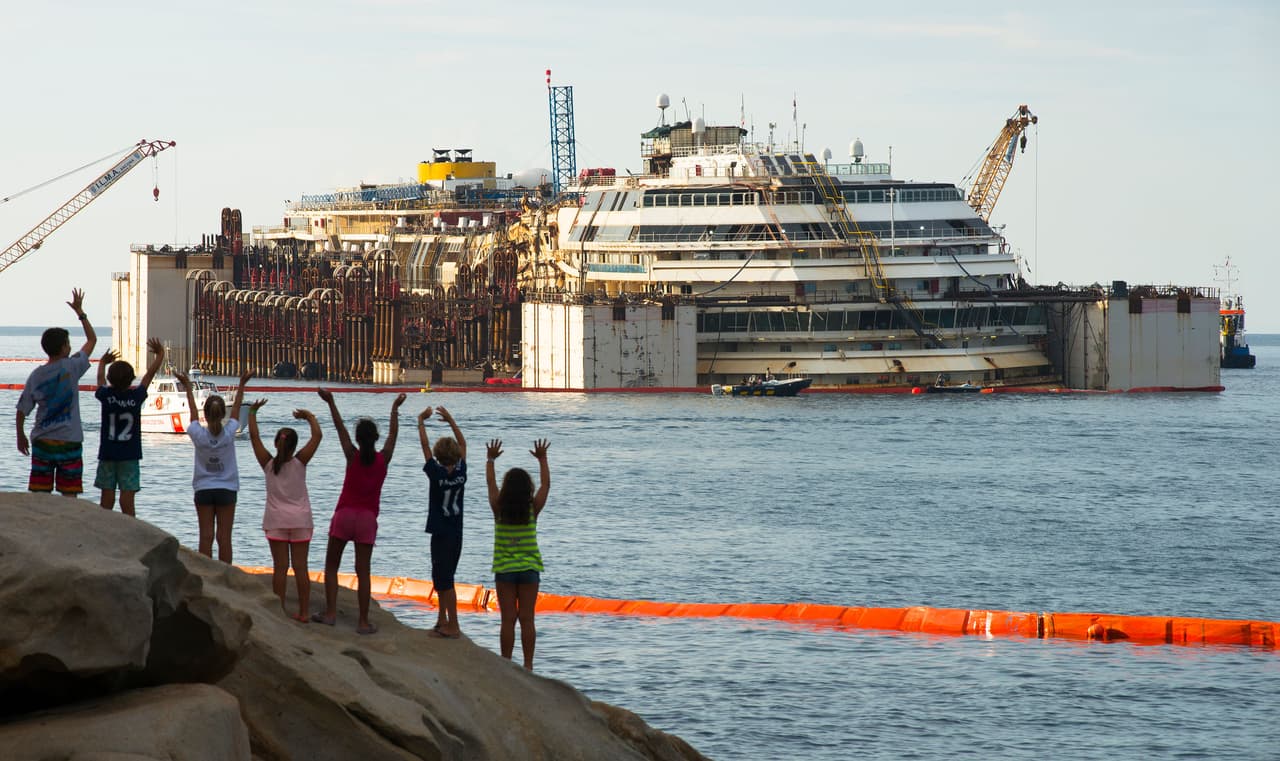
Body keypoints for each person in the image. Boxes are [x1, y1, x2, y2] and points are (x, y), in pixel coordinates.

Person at [312, 389, 406, 634]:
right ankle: (363, 622)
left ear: (358, 438)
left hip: (344, 515)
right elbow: (394, 434)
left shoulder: (351, 455)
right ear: (375, 438)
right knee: (363, 572)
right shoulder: (383, 459)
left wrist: (331, 401)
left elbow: (339, 427)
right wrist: (395, 409)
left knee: (331, 566)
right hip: (366, 519)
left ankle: (330, 613)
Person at [16, 289, 97, 496]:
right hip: (70, 442)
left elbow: (22, 410)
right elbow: (91, 341)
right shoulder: (72, 367)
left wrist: (20, 436)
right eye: (68, 344)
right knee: (69, 494)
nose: (70, 347)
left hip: (42, 442)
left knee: (40, 494)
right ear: (63, 348)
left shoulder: (36, 375)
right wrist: (81, 313)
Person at [247, 398, 322, 622]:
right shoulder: (300, 462)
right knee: (301, 569)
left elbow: (254, 437)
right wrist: (309, 417)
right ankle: (305, 612)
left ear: (276, 444)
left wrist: (252, 412)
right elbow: (317, 436)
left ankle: (279, 612)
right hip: (300, 521)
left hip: (276, 521)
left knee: (280, 568)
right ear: (294, 446)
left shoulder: (268, 465)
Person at [485, 437, 551, 670]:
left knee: (507, 620)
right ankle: (529, 665)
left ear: (506, 488)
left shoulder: (499, 509)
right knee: (527, 619)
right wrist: (543, 459)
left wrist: (490, 459)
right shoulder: (532, 509)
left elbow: (491, 483)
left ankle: (506, 664)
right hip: (529, 569)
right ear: (527, 489)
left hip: (504, 570)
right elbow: (545, 486)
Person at [175, 368, 250, 562]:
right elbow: (236, 410)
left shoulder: (198, 434)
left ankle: (207, 577)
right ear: (222, 413)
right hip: (227, 489)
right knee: (224, 538)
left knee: (205, 537)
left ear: (205, 415)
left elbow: (192, 413)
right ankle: (226, 577)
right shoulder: (230, 432)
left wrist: (188, 388)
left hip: (204, 489)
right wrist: (241, 383)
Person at [93, 338, 165, 515]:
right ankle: (131, 532)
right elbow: (148, 377)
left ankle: (104, 530)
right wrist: (159, 355)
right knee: (127, 500)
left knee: (106, 499)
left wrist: (102, 362)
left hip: (108, 453)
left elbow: (100, 379)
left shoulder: (105, 395)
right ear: (131, 379)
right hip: (130, 455)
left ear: (111, 379)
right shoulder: (136, 397)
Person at [417, 405, 468, 639]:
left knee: (444, 579)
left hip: (440, 531)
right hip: (456, 532)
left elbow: (425, 447)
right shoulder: (460, 473)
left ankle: (453, 624)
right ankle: (442, 618)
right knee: (444, 576)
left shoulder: (436, 474)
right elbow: (464, 445)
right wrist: (450, 419)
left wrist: (421, 422)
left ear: (438, 455)